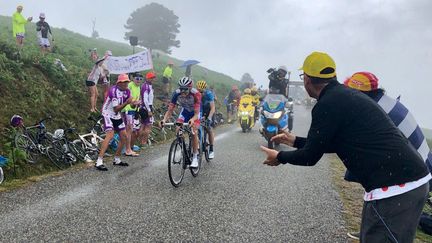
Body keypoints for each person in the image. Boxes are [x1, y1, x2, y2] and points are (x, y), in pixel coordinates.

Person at [260, 51, 430, 243]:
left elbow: (310, 157)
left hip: (395, 189)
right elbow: (332, 143)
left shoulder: (327, 104)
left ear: (306, 79)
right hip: (411, 181)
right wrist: (294, 141)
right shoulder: (346, 96)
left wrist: (280, 157)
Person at [343, 71, 432, 240]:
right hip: (422, 166)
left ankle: (375, 232)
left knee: (390, 219)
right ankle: (368, 230)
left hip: (412, 174)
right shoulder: (385, 101)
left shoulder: (373, 110)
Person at [96, 74, 139, 171]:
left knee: (124, 136)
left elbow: (130, 105)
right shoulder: (113, 91)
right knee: (110, 135)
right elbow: (116, 109)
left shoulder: (127, 91)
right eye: (124, 82)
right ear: (119, 83)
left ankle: (117, 159)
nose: (126, 84)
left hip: (116, 115)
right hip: (107, 113)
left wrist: (133, 104)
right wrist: (127, 103)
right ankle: (99, 161)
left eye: (127, 82)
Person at [160, 77, 201, 168]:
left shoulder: (196, 94)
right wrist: (164, 120)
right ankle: (184, 148)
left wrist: (193, 120)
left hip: (195, 113)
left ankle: (195, 157)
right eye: (181, 89)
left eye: (185, 89)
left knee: (194, 132)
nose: (183, 91)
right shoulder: (176, 93)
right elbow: (170, 110)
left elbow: (197, 113)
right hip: (185, 112)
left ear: (190, 88)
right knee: (178, 129)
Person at [122, 72, 142, 156]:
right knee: (128, 130)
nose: (139, 80)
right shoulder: (130, 85)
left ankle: (127, 148)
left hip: (133, 110)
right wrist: (135, 102)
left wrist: (137, 106)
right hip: (127, 109)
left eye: (141, 79)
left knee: (130, 130)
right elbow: (127, 97)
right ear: (133, 78)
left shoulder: (138, 87)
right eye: (137, 79)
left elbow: (136, 99)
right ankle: (127, 149)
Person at [196, 80, 215, 159]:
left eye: (202, 91)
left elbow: (213, 108)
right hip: (200, 111)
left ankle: (211, 149)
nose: (200, 93)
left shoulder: (209, 94)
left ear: (205, 89)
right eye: (199, 91)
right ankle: (196, 148)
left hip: (209, 111)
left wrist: (209, 117)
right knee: (196, 129)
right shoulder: (196, 94)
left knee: (208, 129)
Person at [138, 71, 156, 147]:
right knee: (148, 126)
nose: (152, 79)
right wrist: (149, 110)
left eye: (153, 78)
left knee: (143, 125)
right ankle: (143, 142)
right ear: (147, 78)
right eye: (151, 78)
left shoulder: (148, 86)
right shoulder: (146, 86)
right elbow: (145, 99)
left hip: (144, 107)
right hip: (146, 108)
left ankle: (140, 142)